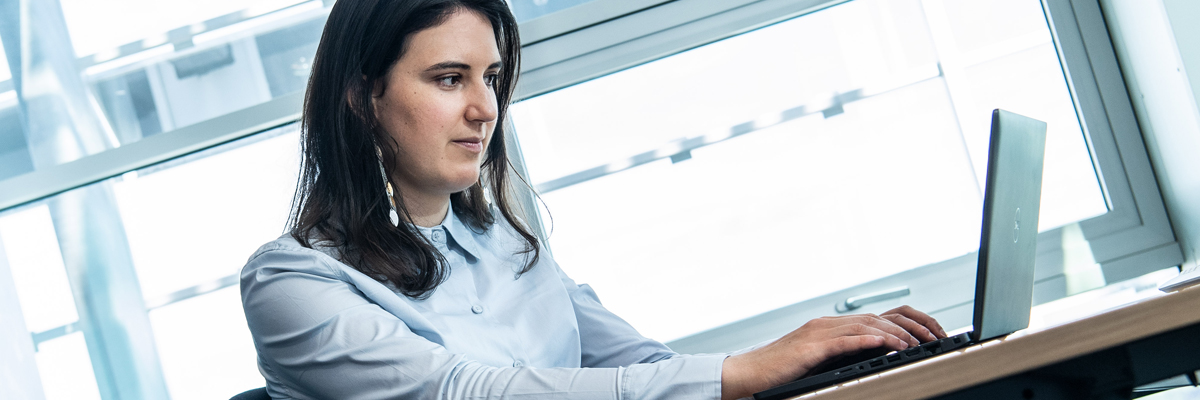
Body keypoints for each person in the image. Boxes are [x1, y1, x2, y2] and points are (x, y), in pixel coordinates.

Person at [239, 0, 949, 398]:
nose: (486, 108)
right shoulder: (292, 283)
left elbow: (641, 369)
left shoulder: (506, 246)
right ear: (364, 96)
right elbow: (464, 395)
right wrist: (739, 373)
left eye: (492, 77)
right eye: (450, 78)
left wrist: (807, 359)